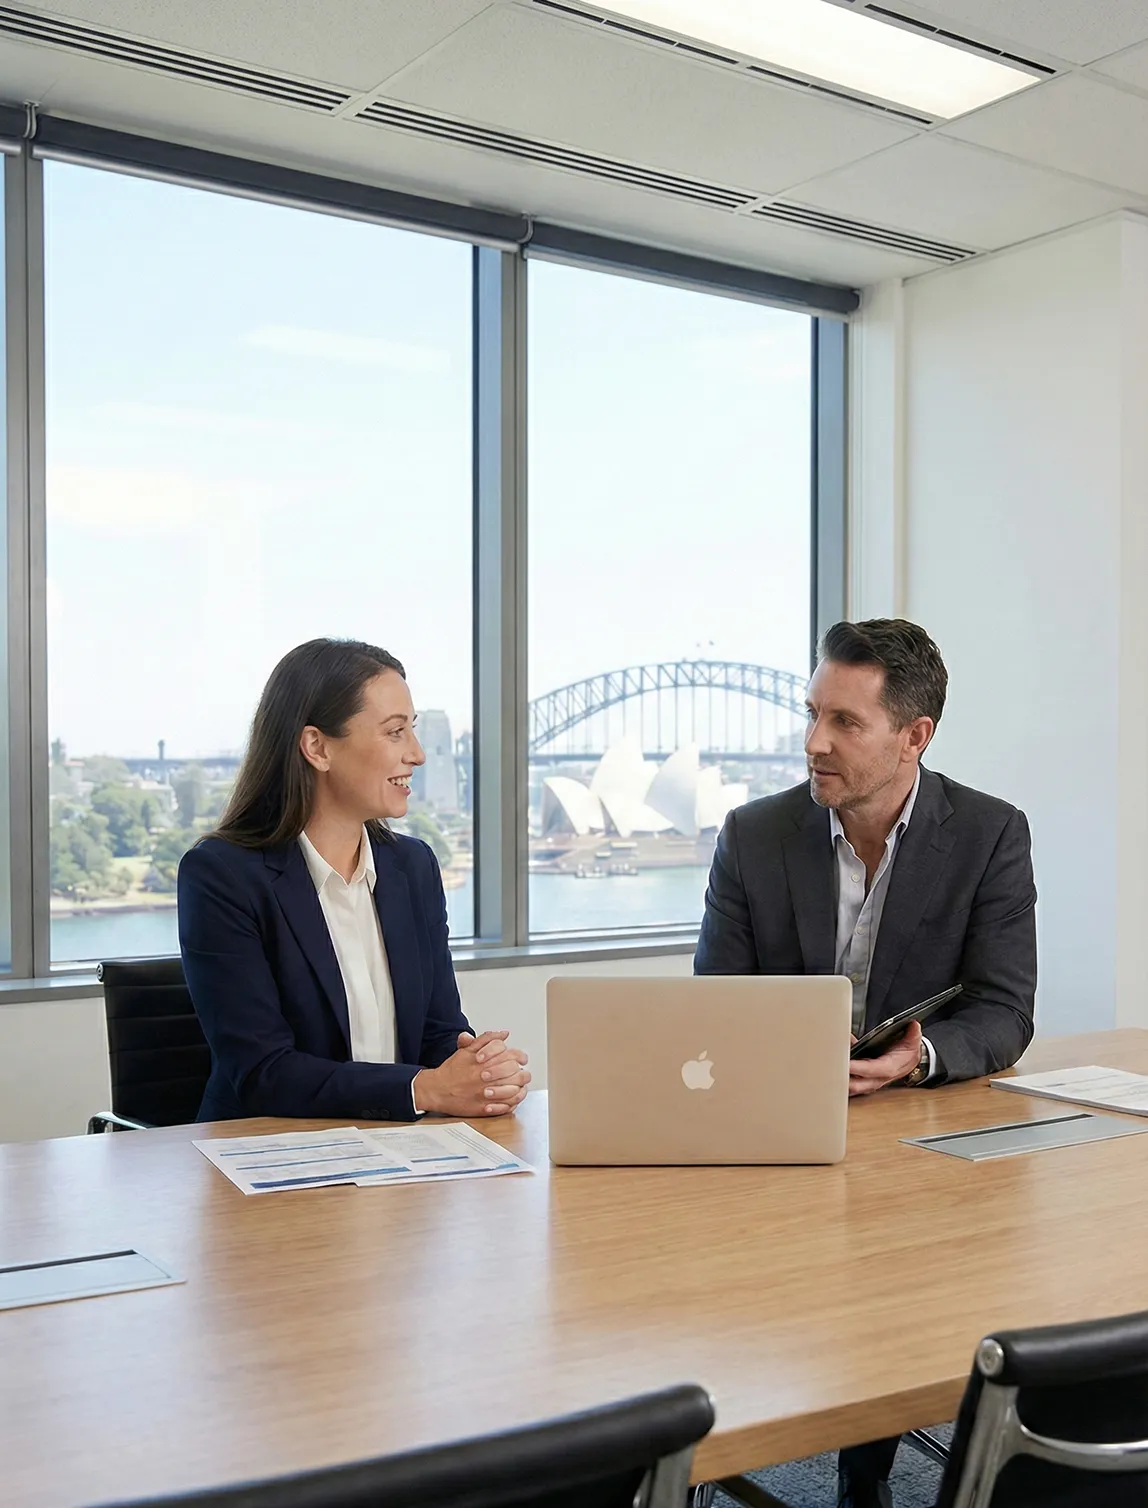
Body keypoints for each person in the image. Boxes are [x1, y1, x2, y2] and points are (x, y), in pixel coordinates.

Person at [695, 618, 1037, 1508]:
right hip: (777, 1134)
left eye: (844, 722)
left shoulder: (990, 834)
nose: (814, 742)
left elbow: (1004, 1010)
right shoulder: (754, 834)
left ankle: (868, 1466)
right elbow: (713, 1010)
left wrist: (917, 1059)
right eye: (812, 714)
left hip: (915, 1136)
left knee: (908, 1272)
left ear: (915, 737)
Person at [178, 638, 529, 1124]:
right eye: (395, 732)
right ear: (317, 747)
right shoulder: (222, 875)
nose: (418, 754)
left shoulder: (413, 867)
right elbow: (263, 1072)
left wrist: (480, 1070)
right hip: (266, 1156)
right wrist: (424, 1088)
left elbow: (437, 1031)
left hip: (403, 1154)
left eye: (414, 730)